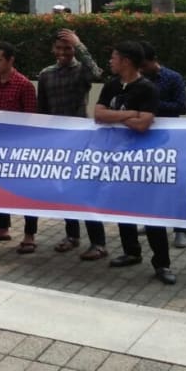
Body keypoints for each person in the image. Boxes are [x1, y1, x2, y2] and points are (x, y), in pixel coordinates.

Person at [95, 40, 174, 285]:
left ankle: (162, 263)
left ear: (126, 61)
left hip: (143, 160)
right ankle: (131, 251)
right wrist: (130, 114)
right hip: (116, 158)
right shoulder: (111, 85)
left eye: (114, 57)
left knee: (151, 213)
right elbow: (98, 115)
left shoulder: (147, 89)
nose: (111, 61)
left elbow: (143, 125)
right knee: (124, 208)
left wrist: (115, 117)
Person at [37, 29, 107, 259]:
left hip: (82, 140)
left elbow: (97, 73)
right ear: (53, 50)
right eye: (59, 48)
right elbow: (43, 110)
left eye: (67, 48)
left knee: (86, 192)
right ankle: (72, 236)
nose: (63, 52)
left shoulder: (81, 72)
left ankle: (98, 242)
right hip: (58, 141)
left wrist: (79, 44)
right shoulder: (46, 74)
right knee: (65, 191)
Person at [0, 41, 38, 250]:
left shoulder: (24, 85)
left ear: (10, 60)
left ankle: (29, 234)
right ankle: (2, 227)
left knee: (27, 191)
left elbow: (30, 118)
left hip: (19, 146)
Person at [141, 40, 186, 248]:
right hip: (144, 137)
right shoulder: (137, 80)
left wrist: (152, 105)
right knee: (147, 182)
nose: (140, 69)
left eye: (143, 64)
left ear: (153, 60)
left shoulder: (173, 78)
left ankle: (181, 229)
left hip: (170, 139)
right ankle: (151, 221)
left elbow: (182, 107)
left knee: (174, 184)